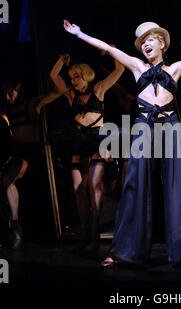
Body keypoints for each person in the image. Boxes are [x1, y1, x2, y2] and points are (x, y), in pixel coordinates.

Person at [62, 20, 181, 267]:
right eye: (142, 42)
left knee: (176, 185)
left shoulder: (176, 69)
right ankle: (124, 252)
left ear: (161, 43)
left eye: (150, 40)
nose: (145, 45)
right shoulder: (137, 66)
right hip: (143, 128)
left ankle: (180, 252)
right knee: (135, 186)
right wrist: (79, 33)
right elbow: (108, 49)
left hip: (170, 127)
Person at [37, 53, 125, 253]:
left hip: (97, 140)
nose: (73, 80)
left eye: (77, 76)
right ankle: (86, 229)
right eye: (71, 76)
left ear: (86, 75)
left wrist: (111, 51)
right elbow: (53, 76)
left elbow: (119, 70)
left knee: (94, 187)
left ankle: (94, 229)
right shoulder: (70, 95)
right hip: (78, 142)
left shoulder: (98, 89)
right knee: (78, 189)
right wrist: (61, 60)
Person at [0, 81, 43, 249]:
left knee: (8, 180)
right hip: (17, 152)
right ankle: (11, 227)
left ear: (18, 89)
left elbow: (53, 94)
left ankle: (16, 226)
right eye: (6, 94)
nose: (7, 97)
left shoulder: (29, 105)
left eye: (10, 93)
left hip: (31, 152)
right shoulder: (7, 110)